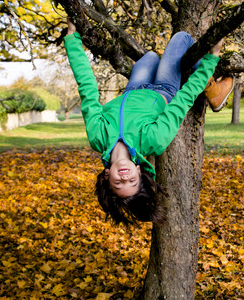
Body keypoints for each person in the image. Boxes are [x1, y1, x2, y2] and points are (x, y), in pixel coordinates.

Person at [64, 19, 233, 225]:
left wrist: (72, 38)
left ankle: (174, 65)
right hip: (164, 89)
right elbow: (184, 99)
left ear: (107, 177)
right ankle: (214, 91)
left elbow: (87, 89)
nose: (125, 176)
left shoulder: (98, 137)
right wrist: (212, 59)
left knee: (151, 56)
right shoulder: (153, 141)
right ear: (138, 171)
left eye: (119, 182)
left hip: (134, 88)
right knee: (181, 39)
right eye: (132, 181)